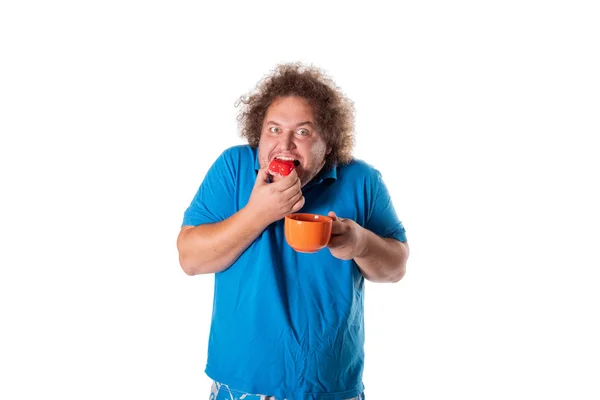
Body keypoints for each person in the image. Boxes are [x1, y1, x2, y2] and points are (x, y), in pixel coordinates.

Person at [177, 62, 409, 400]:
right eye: (273, 129)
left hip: (331, 386)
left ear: (328, 142)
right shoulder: (233, 168)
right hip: (242, 384)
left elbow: (396, 268)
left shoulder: (362, 181)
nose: (284, 145)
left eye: (302, 132)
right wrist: (257, 214)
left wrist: (360, 243)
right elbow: (189, 258)